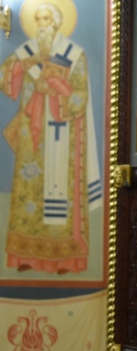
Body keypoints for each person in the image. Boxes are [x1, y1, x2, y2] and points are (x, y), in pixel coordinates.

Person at [0, 3, 101, 274]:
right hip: (31, 139)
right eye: (38, 19)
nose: (42, 24)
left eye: (46, 19)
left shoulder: (74, 55)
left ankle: (65, 259)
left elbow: (80, 97)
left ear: (57, 23)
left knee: (62, 196)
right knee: (28, 193)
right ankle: (24, 255)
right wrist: (23, 64)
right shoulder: (28, 51)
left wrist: (53, 91)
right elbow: (4, 78)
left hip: (62, 135)